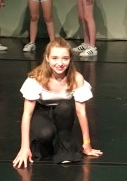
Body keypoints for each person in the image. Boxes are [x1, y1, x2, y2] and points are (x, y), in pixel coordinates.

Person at [12, 38, 103, 167]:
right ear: (47, 58)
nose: (60, 63)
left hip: (63, 114)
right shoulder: (36, 78)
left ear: (70, 59)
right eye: (55, 58)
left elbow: (81, 112)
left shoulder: (77, 78)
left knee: (65, 106)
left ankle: (64, 150)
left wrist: (87, 144)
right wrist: (24, 148)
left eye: (65, 58)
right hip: (41, 111)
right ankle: (47, 144)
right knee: (45, 134)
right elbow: (27, 114)